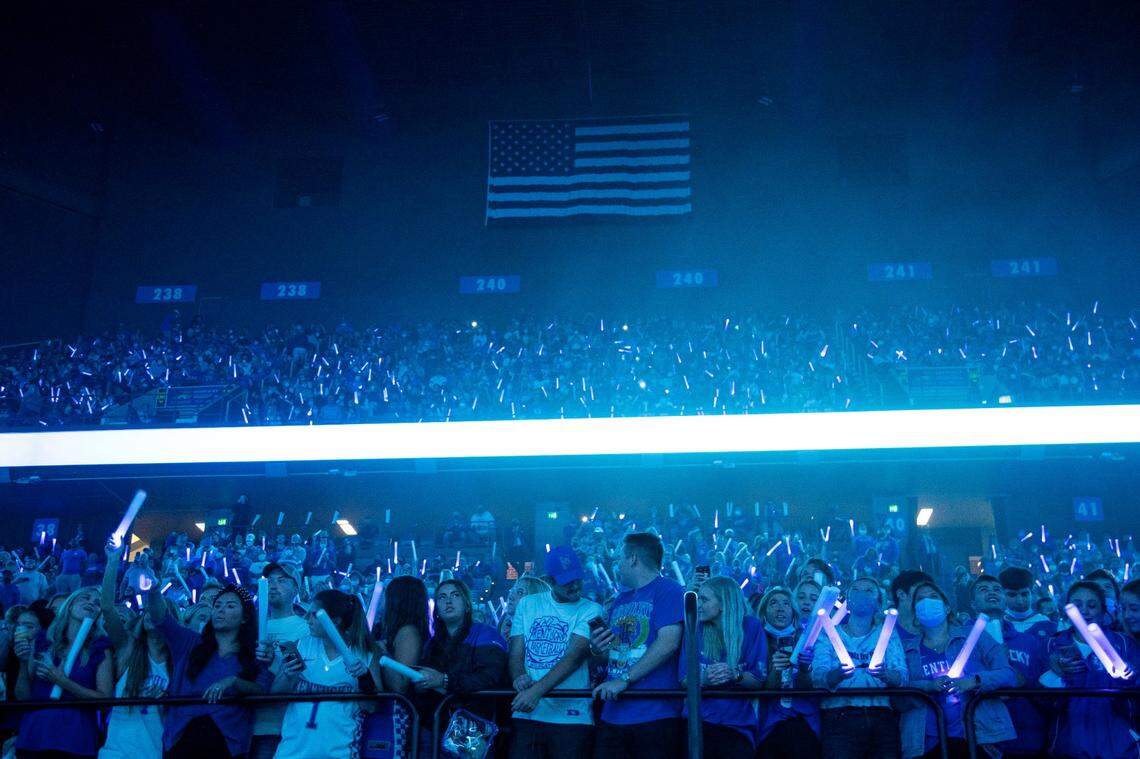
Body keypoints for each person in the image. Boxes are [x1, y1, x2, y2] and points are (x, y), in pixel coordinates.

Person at [589, 532, 684, 759]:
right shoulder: (621, 599)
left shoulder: (669, 590)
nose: (617, 565)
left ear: (633, 559)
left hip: (654, 714)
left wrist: (624, 679)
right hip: (613, 712)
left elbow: (669, 643)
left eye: (619, 559)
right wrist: (597, 649)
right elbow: (614, 653)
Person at [149, 583, 269, 758]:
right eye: (217, 605)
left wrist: (233, 681)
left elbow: (261, 690)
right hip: (182, 738)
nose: (220, 610)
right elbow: (161, 618)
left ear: (244, 618)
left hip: (226, 742)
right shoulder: (189, 642)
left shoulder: (254, 653)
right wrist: (153, 589)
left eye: (230, 606)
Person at [902, 581, 1015, 759]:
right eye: (920, 599)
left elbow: (1008, 674)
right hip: (927, 740)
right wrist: (928, 686)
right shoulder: (907, 649)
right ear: (915, 611)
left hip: (976, 734)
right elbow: (901, 688)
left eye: (933, 597)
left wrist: (974, 680)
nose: (927, 602)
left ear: (947, 607)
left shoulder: (975, 635)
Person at [507, 548, 602, 758]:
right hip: (528, 714)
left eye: (577, 578)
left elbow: (574, 657)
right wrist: (518, 677)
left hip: (571, 718)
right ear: (550, 580)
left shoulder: (591, 608)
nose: (575, 585)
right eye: (567, 581)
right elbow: (516, 652)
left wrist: (535, 692)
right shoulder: (528, 604)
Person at [269, 589, 381, 759]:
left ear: (335, 621)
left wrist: (364, 678)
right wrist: (286, 675)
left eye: (314, 615)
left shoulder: (364, 656)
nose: (307, 619)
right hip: (291, 752)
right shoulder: (301, 646)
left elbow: (372, 707)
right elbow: (276, 697)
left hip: (339, 752)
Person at [810, 576, 906, 759]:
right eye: (855, 589)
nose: (861, 594)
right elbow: (818, 677)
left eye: (869, 590)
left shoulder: (886, 634)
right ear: (847, 600)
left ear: (878, 603)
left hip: (881, 717)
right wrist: (837, 675)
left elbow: (902, 676)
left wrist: (887, 675)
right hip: (839, 716)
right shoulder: (829, 633)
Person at [14, 587, 114, 758]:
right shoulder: (42, 642)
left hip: (74, 739)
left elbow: (104, 699)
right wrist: (23, 663)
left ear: (99, 614)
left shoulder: (100, 649)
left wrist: (63, 682)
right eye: (85, 598)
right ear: (69, 605)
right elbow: (23, 696)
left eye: (96, 603)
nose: (91, 603)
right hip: (34, 735)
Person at [1044, 581, 1140, 759]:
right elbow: (1043, 703)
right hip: (1069, 747)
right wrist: (1055, 676)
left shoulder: (1124, 644)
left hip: (1119, 748)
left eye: (1092, 605)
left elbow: (1134, 701)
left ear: (1103, 612)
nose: (1084, 611)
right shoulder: (1053, 645)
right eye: (1077, 605)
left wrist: (1125, 681)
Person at [417, 579, 508, 755]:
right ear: (436, 610)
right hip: (435, 727)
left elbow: (490, 677)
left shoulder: (486, 634)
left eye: (455, 595)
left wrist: (444, 681)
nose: (448, 601)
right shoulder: (432, 644)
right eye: (442, 597)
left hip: (474, 729)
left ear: (467, 604)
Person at [679, 575, 766, 757]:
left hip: (737, 726)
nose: (699, 605)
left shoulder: (751, 627)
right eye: (697, 599)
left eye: (704, 599)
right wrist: (705, 678)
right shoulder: (694, 628)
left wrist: (735, 675)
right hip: (696, 724)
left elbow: (758, 680)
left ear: (723, 603)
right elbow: (684, 679)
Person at [98, 542, 170, 759]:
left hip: (155, 753)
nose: (149, 614)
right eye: (147, 611)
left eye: (157, 612)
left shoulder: (179, 660)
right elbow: (108, 607)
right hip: (116, 752)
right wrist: (112, 562)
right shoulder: (129, 649)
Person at [249, 563, 309, 759]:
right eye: (270, 581)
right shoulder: (250, 625)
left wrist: (272, 661)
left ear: (296, 589)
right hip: (245, 722)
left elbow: (302, 676)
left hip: (280, 726)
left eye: (282, 580)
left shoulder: (305, 628)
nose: (273, 585)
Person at [995, 567, 1053, 758]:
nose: (1019, 600)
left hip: (1039, 712)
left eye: (1024, 594)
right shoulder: (993, 626)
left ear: (1032, 593)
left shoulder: (1048, 626)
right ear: (1003, 594)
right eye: (1012, 595)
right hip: (1003, 715)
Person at [755, 585, 820, 758]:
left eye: (786, 603)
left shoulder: (808, 640)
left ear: (793, 612)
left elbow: (809, 688)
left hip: (803, 720)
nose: (780, 608)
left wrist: (805, 669)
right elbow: (762, 690)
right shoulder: (756, 642)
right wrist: (776, 671)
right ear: (763, 612)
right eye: (773, 603)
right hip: (769, 724)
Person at [376, 575, 429, 694]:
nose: (381, 598)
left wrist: (382, 652)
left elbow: (400, 684)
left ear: (396, 600)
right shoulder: (400, 631)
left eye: (386, 593)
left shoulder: (408, 633)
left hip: (399, 710)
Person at [889, 570, 934, 643]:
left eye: (931, 595)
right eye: (921, 590)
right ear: (901, 594)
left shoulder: (939, 631)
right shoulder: (883, 633)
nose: (927, 600)